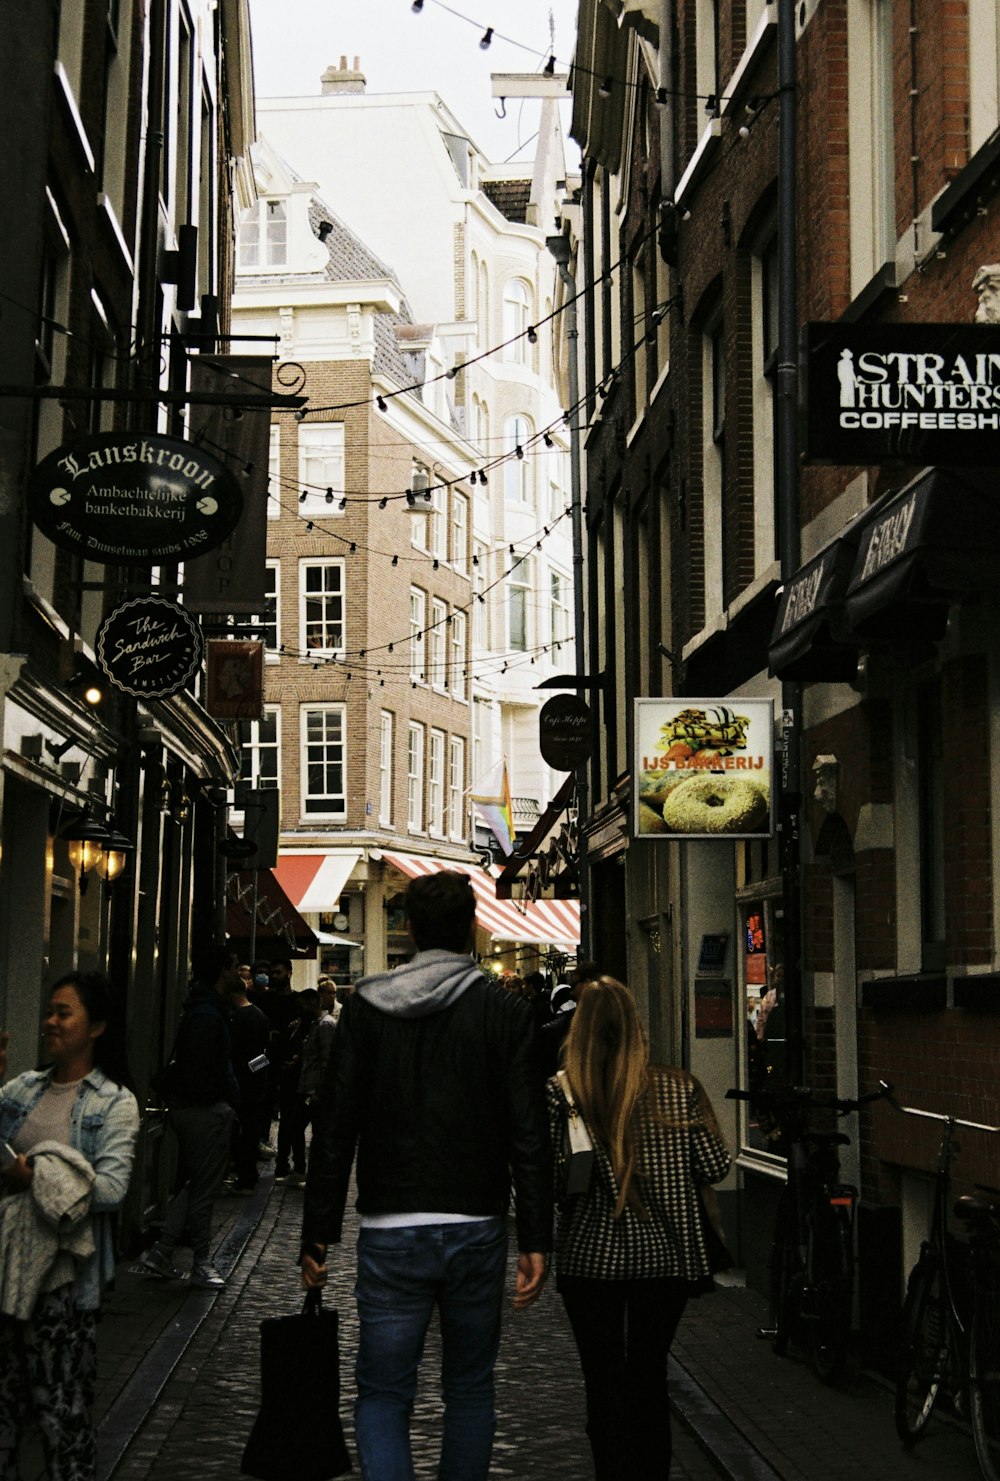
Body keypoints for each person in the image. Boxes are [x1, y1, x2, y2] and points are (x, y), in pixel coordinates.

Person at [300, 869, 552, 1481]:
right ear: (471, 929)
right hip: (476, 1222)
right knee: (469, 1387)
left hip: (389, 1227)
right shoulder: (504, 1012)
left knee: (384, 1392)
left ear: (408, 929)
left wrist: (317, 1233)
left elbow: (336, 1127)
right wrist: (538, 1237)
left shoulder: (365, 1010)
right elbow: (528, 1129)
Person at [546, 976, 731, 1480]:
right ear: (635, 1027)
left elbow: (554, 1182)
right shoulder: (678, 1089)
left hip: (589, 1259)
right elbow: (716, 1166)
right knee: (648, 1376)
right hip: (664, 1259)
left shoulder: (564, 1095)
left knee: (602, 1383)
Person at [0, 971, 140, 1481]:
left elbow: (110, 1189)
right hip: (5, 1269)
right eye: (50, 1012)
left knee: (63, 1414)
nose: (50, 1022)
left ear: (96, 1026)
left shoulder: (115, 1103)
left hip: (64, 1284)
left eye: (64, 1013)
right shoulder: (22, 1089)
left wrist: (35, 1175)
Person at [139, 944, 242, 1288]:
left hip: (194, 1107)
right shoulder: (208, 1014)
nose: (240, 973)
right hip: (204, 1110)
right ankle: (201, 1262)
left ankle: (162, 1250)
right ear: (221, 971)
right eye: (235, 967)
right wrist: (225, 1100)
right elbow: (204, 1068)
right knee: (204, 1190)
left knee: (197, 1183)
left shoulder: (200, 1009)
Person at [225, 969, 271, 1192]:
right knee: (250, 1132)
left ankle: (245, 1176)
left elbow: (237, 1055)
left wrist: (243, 1073)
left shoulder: (237, 1019)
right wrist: (257, 1073)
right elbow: (264, 1055)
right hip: (255, 1084)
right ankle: (248, 1174)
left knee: (241, 1133)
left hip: (242, 1084)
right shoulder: (261, 1016)